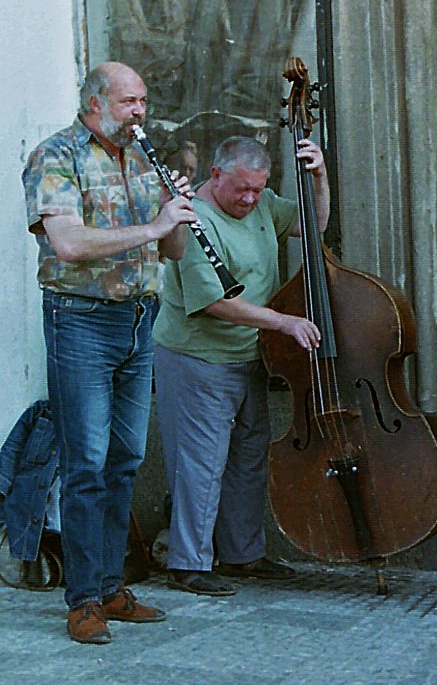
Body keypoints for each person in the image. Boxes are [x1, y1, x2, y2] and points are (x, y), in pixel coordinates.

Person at [22, 61, 197, 644]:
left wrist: (176, 215)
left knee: (124, 458)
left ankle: (112, 584)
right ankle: (83, 600)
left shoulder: (143, 158)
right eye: (129, 102)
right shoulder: (57, 155)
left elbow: (171, 249)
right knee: (87, 464)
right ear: (95, 103)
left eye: (143, 101)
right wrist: (153, 228)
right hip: (80, 322)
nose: (141, 112)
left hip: (139, 317)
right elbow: (68, 243)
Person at [153, 135, 328, 596]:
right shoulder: (194, 218)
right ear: (215, 175)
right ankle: (188, 563)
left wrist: (320, 178)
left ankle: (243, 555)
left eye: (258, 188)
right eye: (242, 189)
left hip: (252, 354)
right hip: (199, 356)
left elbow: (313, 227)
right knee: (200, 462)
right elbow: (212, 301)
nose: (251, 198)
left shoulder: (262, 204)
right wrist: (282, 321)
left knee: (249, 458)